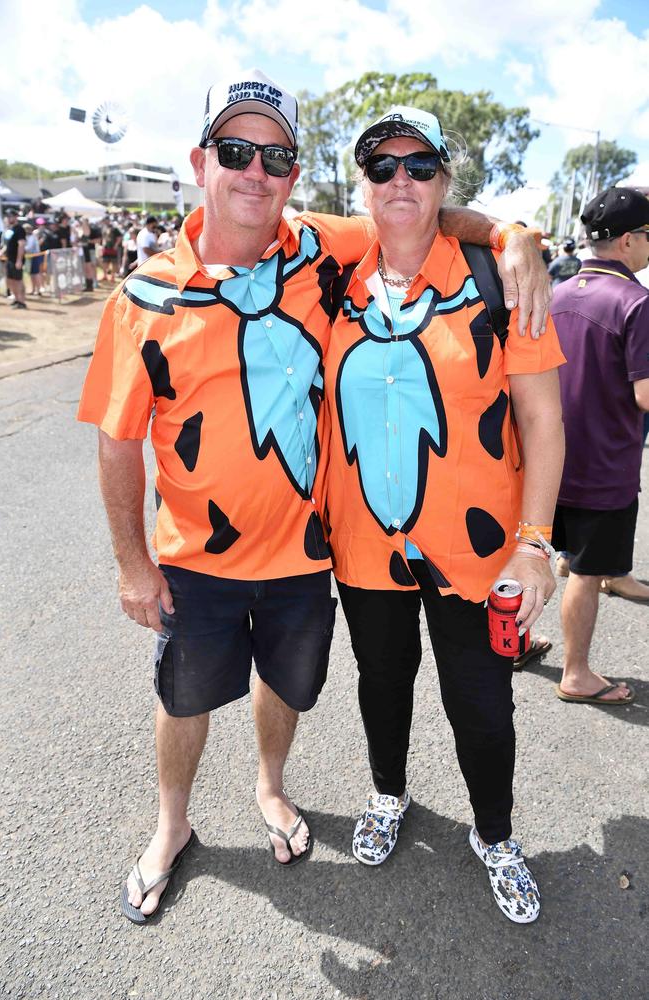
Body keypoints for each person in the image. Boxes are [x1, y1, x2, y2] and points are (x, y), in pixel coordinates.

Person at [76, 70, 551, 925]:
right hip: (200, 555)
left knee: (296, 687)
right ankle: (171, 827)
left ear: (295, 176)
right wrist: (131, 565)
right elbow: (115, 438)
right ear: (200, 161)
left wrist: (514, 231)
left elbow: (426, 215)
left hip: (307, 554)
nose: (256, 171)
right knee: (185, 698)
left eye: (277, 156)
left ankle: (277, 790)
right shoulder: (141, 295)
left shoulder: (321, 248)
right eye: (236, 150)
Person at [323, 106, 566, 924]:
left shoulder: (498, 277)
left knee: (483, 707)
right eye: (382, 166)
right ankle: (389, 794)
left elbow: (543, 421)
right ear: (359, 182)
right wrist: (512, 225)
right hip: (364, 549)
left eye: (420, 166)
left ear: (446, 181)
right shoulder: (327, 271)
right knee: (382, 685)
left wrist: (536, 546)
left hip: (479, 554)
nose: (401, 181)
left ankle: (493, 835)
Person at [550, 186, 649, 702]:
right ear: (629, 241)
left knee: (545, 560)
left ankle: (516, 638)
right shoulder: (636, 302)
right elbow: (645, 393)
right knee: (586, 575)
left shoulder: (559, 293)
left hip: (550, 463)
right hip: (603, 467)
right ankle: (576, 673)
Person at [4, 208, 27, 308]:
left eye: (11, 216)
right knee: (10, 280)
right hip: (9, 259)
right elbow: (8, 244)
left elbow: (21, 245)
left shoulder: (20, 229)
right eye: (8, 216)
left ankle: (21, 302)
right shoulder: (10, 229)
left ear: (16, 217)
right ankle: (16, 299)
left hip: (16, 260)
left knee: (18, 281)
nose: (9, 218)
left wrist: (19, 260)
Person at [23, 223, 44, 295]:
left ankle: (38, 290)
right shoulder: (29, 237)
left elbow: (29, 248)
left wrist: (21, 248)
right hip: (31, 257)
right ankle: (33, 289)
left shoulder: (32, 237)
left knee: (35, 274)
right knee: (32, 274)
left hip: (35, 257)